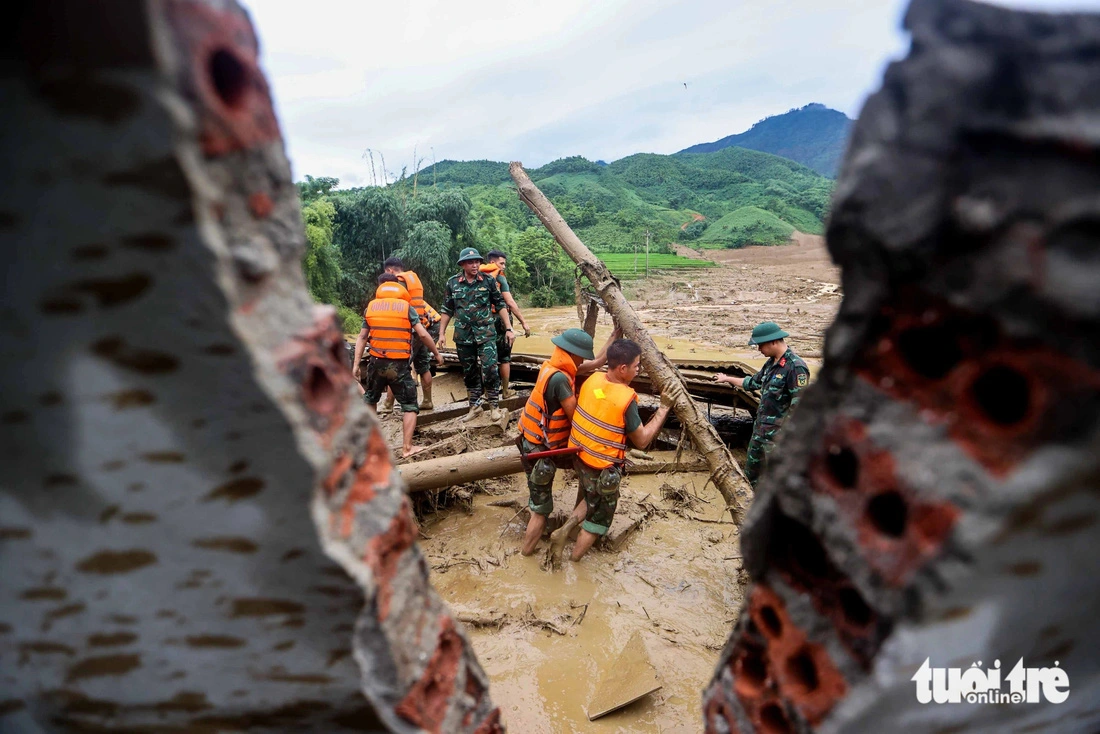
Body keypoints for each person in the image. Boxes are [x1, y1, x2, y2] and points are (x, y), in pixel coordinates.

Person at [564, 339, 672, 563]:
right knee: (598, 520)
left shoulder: (592, 379)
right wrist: (663, 409)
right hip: (602, 467)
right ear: (623, 369)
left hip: (579, 457)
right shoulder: (626, 399)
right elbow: (641, 441)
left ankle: (564, 531)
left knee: (589, 495)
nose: (639, 369)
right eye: (637, 365)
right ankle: (574, 562)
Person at [517, 326, 622, 556]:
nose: (583, 359)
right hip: (540, 452)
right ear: (573, 354)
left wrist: (614, 337)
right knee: (541, 510)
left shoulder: (553, 365)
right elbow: (576, 417)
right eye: (581, 355)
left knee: (540, 502)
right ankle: (525, 555)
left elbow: (595, 363)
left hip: (530, 439)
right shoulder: (560, 381)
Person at [353, 275, 444, 457]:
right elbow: (424, 335)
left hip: (376, 363)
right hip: (399, 366)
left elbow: (362, 337)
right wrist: (436, 353)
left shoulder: (370, 308)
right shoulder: (406, 308)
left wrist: (356, 365)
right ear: (400, 288)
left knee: (370, 399)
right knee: (410, 405)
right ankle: (407, 448)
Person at [713, 321, 809, 487]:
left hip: (778, 440)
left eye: (760, 345)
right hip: (759, 434)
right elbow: (751, 383)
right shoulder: (770, 364)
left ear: (773, 341)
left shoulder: (796, 367)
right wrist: (726, 378)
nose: (758, 349)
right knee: (751, 479)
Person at [437, 248, 515, 422]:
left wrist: (509, 328)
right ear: (463, 264)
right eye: (470, 262)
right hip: (463, 336)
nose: (475, 265)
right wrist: (441, 333)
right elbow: (447, 309)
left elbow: (500, 304)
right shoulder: (452, 283)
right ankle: (475, 406)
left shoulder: (488, 281)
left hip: (486, 333)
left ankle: (494, 406)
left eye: (477, 262)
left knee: (490, 368)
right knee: (470, 372)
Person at [380, 256, 442, 412]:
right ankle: (427, 401)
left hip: (407, 330)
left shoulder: (398, 283)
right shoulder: (414, 279)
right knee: (424, 366)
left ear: (389, 270)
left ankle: (387, 404)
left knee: (396, 366)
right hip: (421, 328)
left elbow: (394, 307)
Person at [479, 250, 531, 399]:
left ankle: (488, 393)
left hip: (483, 320)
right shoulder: (499, 278)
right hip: (500, 320)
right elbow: (510, 302)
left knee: (487, 356)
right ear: (492, 262)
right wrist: (524, 322)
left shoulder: (477, 276)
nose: (504, 267)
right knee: (504, 357)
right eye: (502, 263)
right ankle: (506, 391)